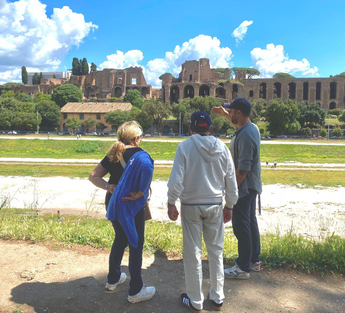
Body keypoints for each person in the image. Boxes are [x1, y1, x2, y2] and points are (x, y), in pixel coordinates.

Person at [167, 112, 238, 312]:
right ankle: (217, 296)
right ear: (211, 129)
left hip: (190, 204)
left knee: (193, 253)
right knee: (216, 251)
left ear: (191, 129)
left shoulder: (185, 147)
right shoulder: (222, 148)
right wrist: (230, 205)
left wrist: (171, 202)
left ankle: (195, 299)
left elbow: (176, 181)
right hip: (215, 204)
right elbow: (231, 181)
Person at [89, 121, 156, 303]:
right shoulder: (141, 154)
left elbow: (93, 176)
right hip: (131, 204)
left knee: (120, 238)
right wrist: (141, 193)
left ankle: (113, 279)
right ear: (136, 138)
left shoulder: (113, 154)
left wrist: (109, 186)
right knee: (136, 243)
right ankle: (135, 289)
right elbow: (147, 172)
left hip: (113, 202)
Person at [212, 97, 263, 280]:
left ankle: (243, 268)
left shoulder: (246, 136)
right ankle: (254, 260)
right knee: (250, 222)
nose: (230, 114)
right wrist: (225, 115)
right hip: (251, 186)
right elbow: (237, 125)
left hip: (245, 187)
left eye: (232, 111)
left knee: (241, 227)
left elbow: (243, 169)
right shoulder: (250, 128)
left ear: (239, 113)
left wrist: (231, 193)